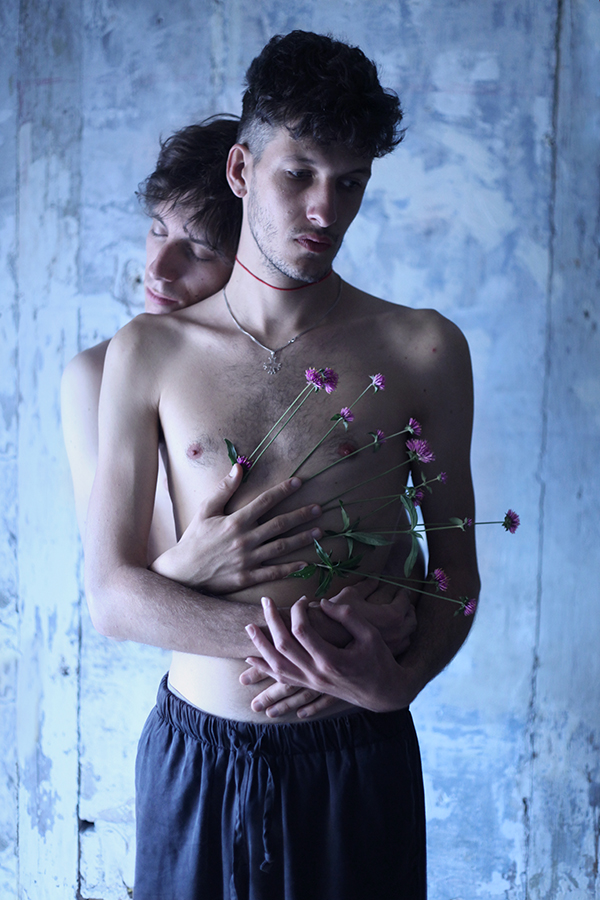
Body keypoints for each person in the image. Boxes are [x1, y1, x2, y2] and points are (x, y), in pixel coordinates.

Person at [84, 31, 480, 900]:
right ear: (242, 170)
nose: (325, 210)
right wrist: (308, 646)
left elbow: (456, 576)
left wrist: (398, 681)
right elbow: (112, 596)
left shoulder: (422, 348)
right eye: (298, 174)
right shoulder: (147, 352)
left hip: (358, 755)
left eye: (351, 183)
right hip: (197, 755)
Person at [62, 117, 330, 599]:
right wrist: (186, 566)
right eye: (157, 230)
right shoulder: (95, 376)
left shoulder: (306, 364)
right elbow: (111, 590)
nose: (158, 269)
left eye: (198, 252)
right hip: (186, 644)